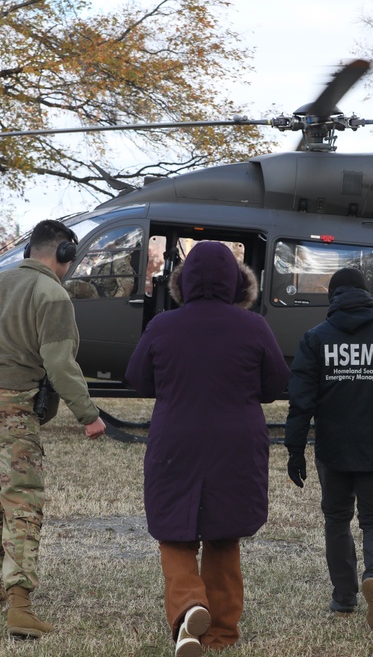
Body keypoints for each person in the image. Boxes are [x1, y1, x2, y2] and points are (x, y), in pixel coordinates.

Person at [0, 219, 107, 639]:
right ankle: (20, 607)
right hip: (11, 409)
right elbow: (60, 363)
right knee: (22, 505)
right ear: (64, 254)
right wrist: (88, 415)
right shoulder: (52, 293)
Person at [125, 242, 290, 657]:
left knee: (173, 531)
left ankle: (188, 608)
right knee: (224, 535)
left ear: (183, 281)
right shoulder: (253, 326)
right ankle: (220, 633)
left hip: (175, 439)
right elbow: (276, 384)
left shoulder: (163, 325)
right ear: (238, 282)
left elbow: (138, 380)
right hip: (236, 443)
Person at [285, 267, 373, 634]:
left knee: (336, 519)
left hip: (332, 449)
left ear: (333, 297)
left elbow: (301, 402)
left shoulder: (315, 339)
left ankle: (344, 596)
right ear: (366, 295)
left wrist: (295, 448)